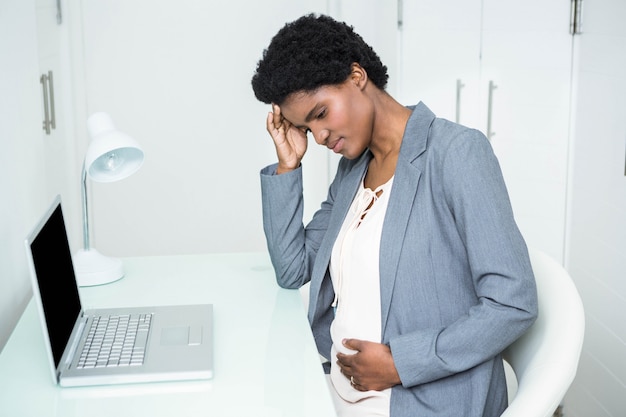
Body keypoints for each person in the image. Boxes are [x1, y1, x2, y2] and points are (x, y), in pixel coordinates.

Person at [251, 13, 537, 417]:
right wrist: (287, 166)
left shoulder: (455, 154)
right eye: (305, 128)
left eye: (319, 114)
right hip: (338, 391)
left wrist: (401, 363)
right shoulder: (353, 171)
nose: (318, 137)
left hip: (421, 400)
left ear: (356, 76)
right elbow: (293, 268)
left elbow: (513, 303)